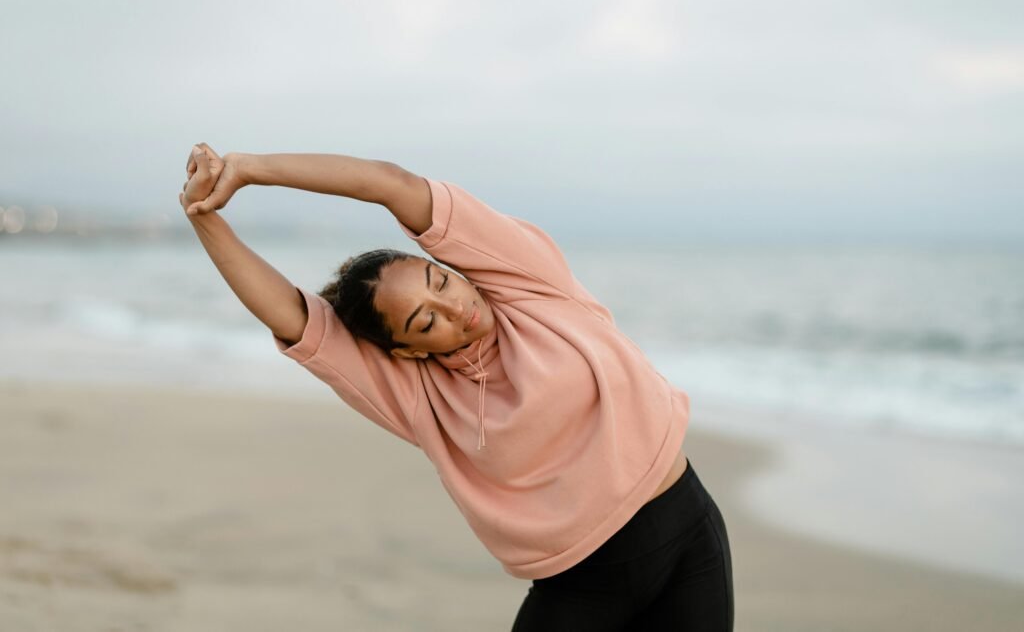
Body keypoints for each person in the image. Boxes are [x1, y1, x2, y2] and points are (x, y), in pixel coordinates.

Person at [180, 143, 734, 631]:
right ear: (408, 350)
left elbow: (391, 184)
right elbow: (289, 315)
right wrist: (203, 215)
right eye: (425, 322)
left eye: (441, 281)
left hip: (688, 529)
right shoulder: (416, 394)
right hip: (582, 580)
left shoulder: (528, 286)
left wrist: (248, 168)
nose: (457, 309)